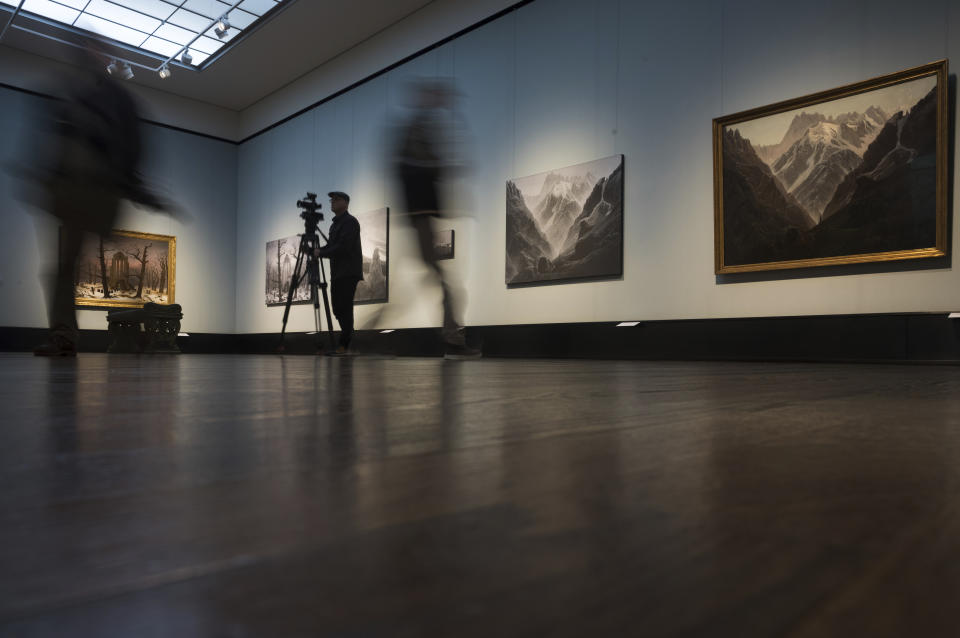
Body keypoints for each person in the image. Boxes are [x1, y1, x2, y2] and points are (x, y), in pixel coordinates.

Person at [12, 41, 173, 356]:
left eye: (95, 52)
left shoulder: (119, 100)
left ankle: (69, 335)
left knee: (69, 264)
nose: (90, 58)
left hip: (100, 190)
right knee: (61, 266)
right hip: (70, 189)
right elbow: (52, 139)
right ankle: (63, 337)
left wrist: (136, 187)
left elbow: (132, 145)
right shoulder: (68, 92)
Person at [393, 78, 480, 359]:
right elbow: (422, 169)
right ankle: (453, 340)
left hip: (422, 219)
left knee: (435, 281)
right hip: (421, 219)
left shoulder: (417, 133)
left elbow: (427, 167)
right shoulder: (414, 133)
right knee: (445, 284)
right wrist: (450, 168)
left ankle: (451, 338)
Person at [314, 191, 362, 356]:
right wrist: (318, 251)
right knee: (337, 308)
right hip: (338, 273)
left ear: (346, 203)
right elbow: (332, 247)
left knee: (344, 307)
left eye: (337, 199)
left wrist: (321, 253)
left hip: (348, 272)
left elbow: (343, 247)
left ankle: (344, 345)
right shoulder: (334, 225)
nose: (333, 202)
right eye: (332, 200)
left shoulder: (350, 222)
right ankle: (348, 341)